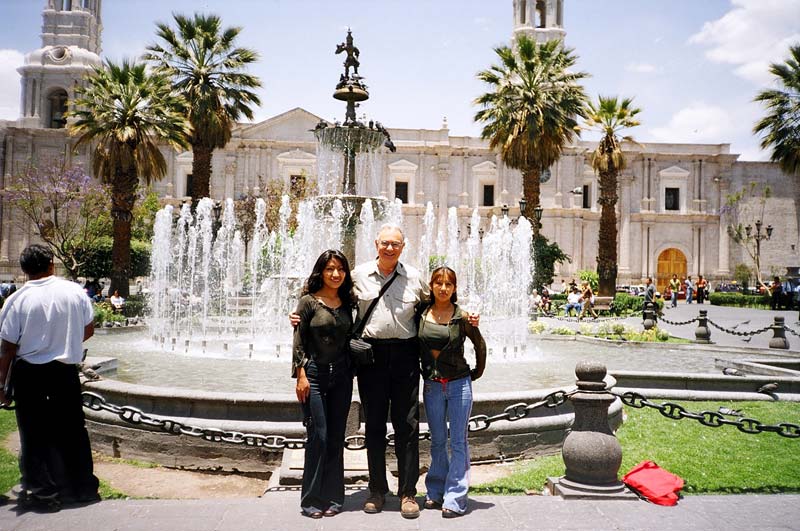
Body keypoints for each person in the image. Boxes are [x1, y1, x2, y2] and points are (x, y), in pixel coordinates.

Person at [0, 244, 99, 511]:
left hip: (29, 372)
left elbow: (7, 348)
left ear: (24, 269)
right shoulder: (74, 292)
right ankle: (84, 487)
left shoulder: (17, 300)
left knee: (33, 432)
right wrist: (64, 343)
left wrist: (1, 384)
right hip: (65, 370)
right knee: (74, 429)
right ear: (52, 264)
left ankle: (44, 491)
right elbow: (89, 328)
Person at [417, 267, 486, 518]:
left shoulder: (463, 317)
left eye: (448, 284)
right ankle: (435, 491)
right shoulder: (421, 313)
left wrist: (475, 373)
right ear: (431, 286)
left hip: (459, 385)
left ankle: (456, 497)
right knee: (436, 441)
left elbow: (479, 344)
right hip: (433, 385)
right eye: (438, 283)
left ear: (454, 288)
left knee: (458, 441)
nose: (443, 288)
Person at [292, 250, 356, 518]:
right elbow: (299, 340)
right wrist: (301, 374)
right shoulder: (307, 302)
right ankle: (311, 498)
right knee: (318, 435)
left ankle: (334, 497)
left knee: (336, 438)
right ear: (321, 271)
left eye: (340, 269)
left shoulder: (348, 301)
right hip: (314, 374)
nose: (336, 274)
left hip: (341, 376)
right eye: (330, 268)